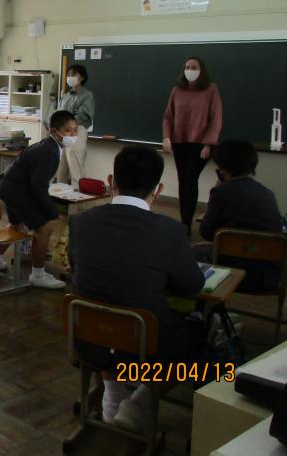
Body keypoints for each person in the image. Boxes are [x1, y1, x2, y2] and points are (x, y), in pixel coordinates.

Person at [68, 145, 205, 433]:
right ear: (159, 190)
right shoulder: (170, 231)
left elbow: (75, 268)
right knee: (198, 337)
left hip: (86, 339)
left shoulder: (80, 222)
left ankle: (112, 395)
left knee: (108, 311)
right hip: (146, 346)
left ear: (111, 182)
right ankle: (139, 402)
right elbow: (192, 285)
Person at [0, 110, 79, 289]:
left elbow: (36, 182)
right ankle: (38, 274)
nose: (72, 135)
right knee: (44, 228)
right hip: (17, 192)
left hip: (10, 189)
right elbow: (38, 187)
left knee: (16, 225)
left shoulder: (49, 145)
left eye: (75, 130)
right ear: (54, 131)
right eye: (68, 130)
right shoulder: (49, 150)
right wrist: (51, 212)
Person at [196, 139, 282, 292]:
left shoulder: (222, 192)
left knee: (186, 251)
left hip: (233, 273)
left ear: (224, 168)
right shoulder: (268, 193)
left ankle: (202, 304)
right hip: (270, 275)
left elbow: (206, 232)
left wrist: (215, 192)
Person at [162, 57, 223, 234]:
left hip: (201, 145)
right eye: (187, 67)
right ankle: (185, 223)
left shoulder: (211, 89)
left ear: (201, 70)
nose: (190, 70)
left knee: (189, 179)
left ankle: (186, 224)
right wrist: (166, 137)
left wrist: (208, 144)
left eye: (194, 67)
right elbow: (168, 117)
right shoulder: (177, 90)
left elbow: (216, 118)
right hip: (179, 142)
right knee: (184, 181)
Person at [56, 64, 95, 184]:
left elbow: (83, 115)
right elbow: (58, 113)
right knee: (60, 168)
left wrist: (66, 122)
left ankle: (78, 193)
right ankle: (60, 193)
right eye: (68, 75)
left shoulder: (87, 95)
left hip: (77, 131)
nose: (70, 77)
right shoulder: (65, 96)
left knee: (75, 167)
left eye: (73, 74)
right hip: (62, 133)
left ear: (82, 77)